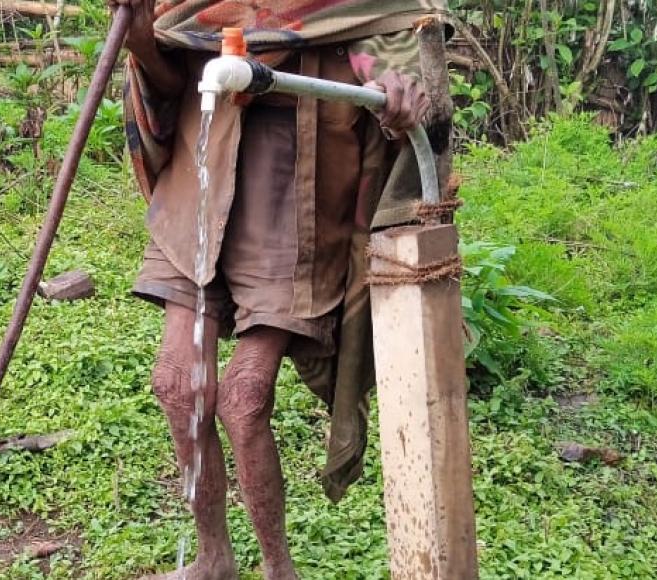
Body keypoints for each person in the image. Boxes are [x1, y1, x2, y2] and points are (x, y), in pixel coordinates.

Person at [109, 1, 449, 578]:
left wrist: (398, 94)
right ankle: (213, 559)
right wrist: (143, 39)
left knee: (244, 400)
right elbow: (171, 72)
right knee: (176, 385)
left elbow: (383, 57)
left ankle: (277, 570)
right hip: (201, 171)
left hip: (296, 191)